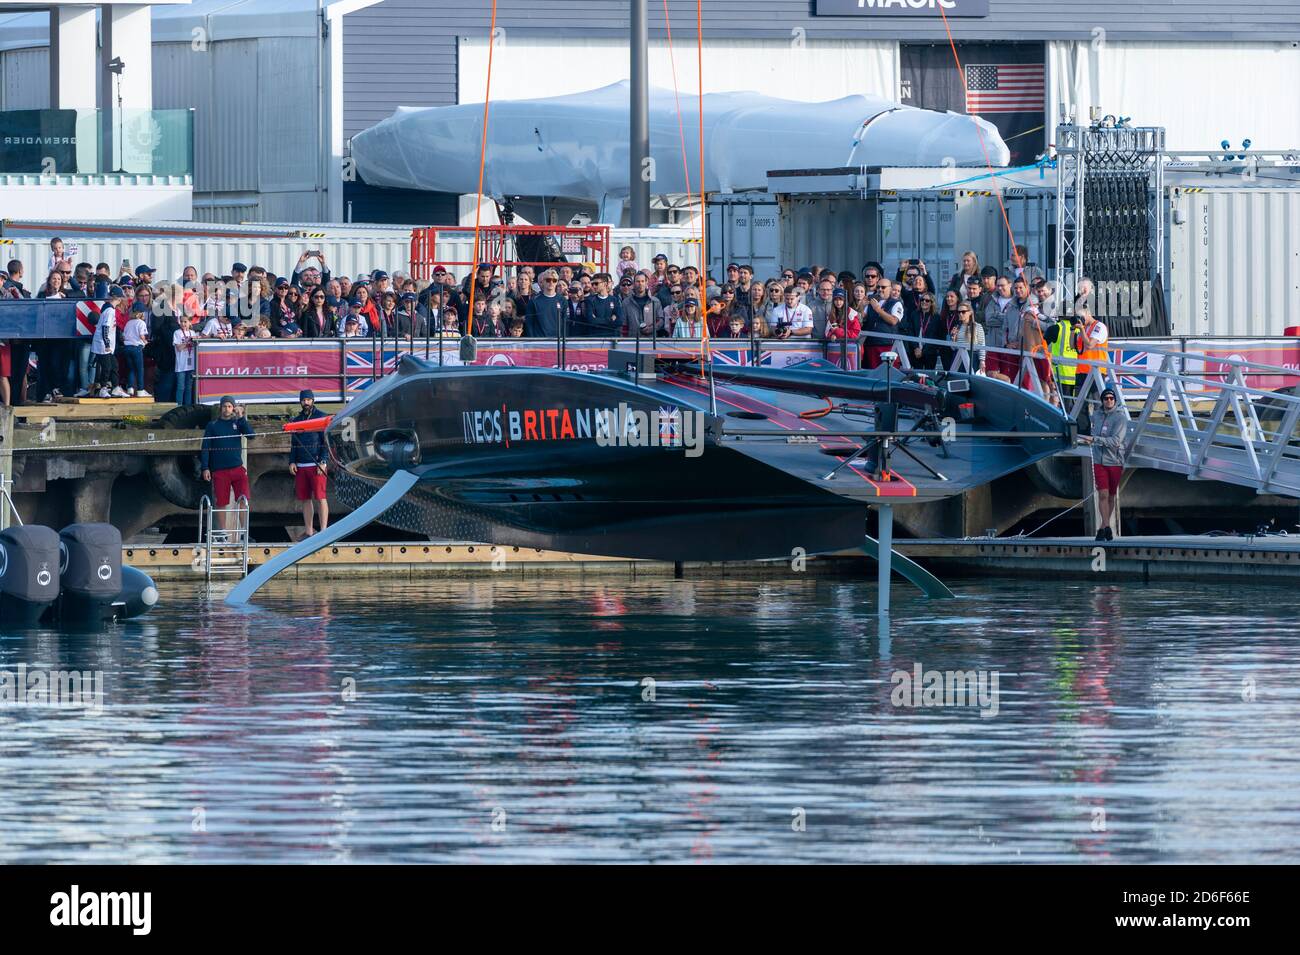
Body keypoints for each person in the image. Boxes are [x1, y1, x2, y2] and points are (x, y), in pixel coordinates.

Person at [200, 395, 256, 535]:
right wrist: (205, 467)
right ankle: (223, 532)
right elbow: (205, 447)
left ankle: (244, 531)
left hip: (237, 468)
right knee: (221, 502)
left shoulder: (238, 423)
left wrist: (241, 417)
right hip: (220, 471)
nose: (227, 409)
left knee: (243, 499)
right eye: (224, 406)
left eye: (230, 406)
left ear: (233, 408)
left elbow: (251, 435)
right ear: (220, 408)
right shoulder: (212, 426)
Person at [1079, 387, 1126, 541]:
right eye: (1106, 398)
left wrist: (1096, 440)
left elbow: (1116, 441)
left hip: (1115, 461)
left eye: (1111, 398)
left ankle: (1101, 529)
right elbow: (1092, 432)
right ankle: (1107, 526)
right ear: (1102, 400)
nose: (1109, 401)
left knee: (1111, 495)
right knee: (1103, 494)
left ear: (1115, 400)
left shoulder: (1120, 418)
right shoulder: (1097, 415)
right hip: (1099, 460)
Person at [289, 389, 329, 539]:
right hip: (300, 465)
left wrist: (323, 461)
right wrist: (292, 460)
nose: (306, 403)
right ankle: (309, 531)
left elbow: (325, 442)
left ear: (313, 400)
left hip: (317, 464)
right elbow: (294, 443)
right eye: (303, 400)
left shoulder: (321, 417)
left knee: (320, 497)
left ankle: (324, 531)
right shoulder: (296, 420)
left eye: (308, 400)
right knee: (305, 498)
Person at [91, 285, 127, 398]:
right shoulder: (110, 311)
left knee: (114, 366)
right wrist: (107, 344)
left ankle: (116, 387)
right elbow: (105, 328)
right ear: (119, 298)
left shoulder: (109, 309)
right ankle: (103, 388)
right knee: (106, 368)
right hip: (103, 345)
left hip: (108, 346)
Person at [122, 303, 151, 397]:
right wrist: (146, 342)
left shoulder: (128, 322)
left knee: (130, 369)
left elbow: (123, 336)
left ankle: (130, 389)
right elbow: (142, 335)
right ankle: (140, 390)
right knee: (139, 369)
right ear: (140, 313)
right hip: (136, 347)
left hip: (127, 347)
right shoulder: (141, 323)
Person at [949, 302, 986, 374]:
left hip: (972, 356)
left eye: (963, 312)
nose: (960, 314)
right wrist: (953, 338)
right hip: (957, 356)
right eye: (959, 312)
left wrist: (982, 361)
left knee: (970, 381)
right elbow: (953, 348)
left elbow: (982, 345)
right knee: (956, 379)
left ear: (970, 313)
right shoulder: (957, 327)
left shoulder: (977, 326)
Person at [172, 313, 198, 404]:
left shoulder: (193, 333)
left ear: (190, 322)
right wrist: (188, 342)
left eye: (185, 322)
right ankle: (178, 407)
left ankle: (188, 407)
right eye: (181, 322)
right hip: (181, 365)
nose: (183, 324)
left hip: (191, 364)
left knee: (189, 388)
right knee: (180, 387)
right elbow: (178, 348)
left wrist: (194, 341)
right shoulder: (177, 332)